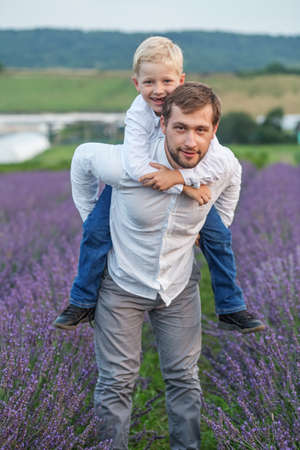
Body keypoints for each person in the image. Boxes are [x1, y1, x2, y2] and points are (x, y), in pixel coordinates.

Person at [70, 82, 257, 449]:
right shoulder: (128, 166)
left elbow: (233, 177)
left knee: (184, 379)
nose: (190, 140)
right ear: (163, 125)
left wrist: (219, 223)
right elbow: (81, 158)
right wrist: (90, 221)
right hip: (122, 283)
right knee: (116, 382)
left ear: (213, 131)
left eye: (201, 130)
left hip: (178, 286)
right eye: (181, 128)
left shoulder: (220, 165)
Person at [54, 36, 265, 333]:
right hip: (132, 182)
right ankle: (83, 301)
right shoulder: (138, 113)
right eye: (149, 82)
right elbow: (137, 168)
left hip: (181, 177)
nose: (158, 90)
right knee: (95, 232)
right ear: (136, 84)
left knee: (219, 239)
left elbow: (222, 165)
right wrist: (185, 187)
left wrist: (186, 186)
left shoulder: (192, 111)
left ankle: (231, 307)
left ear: (180, 80)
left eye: (166, 81)